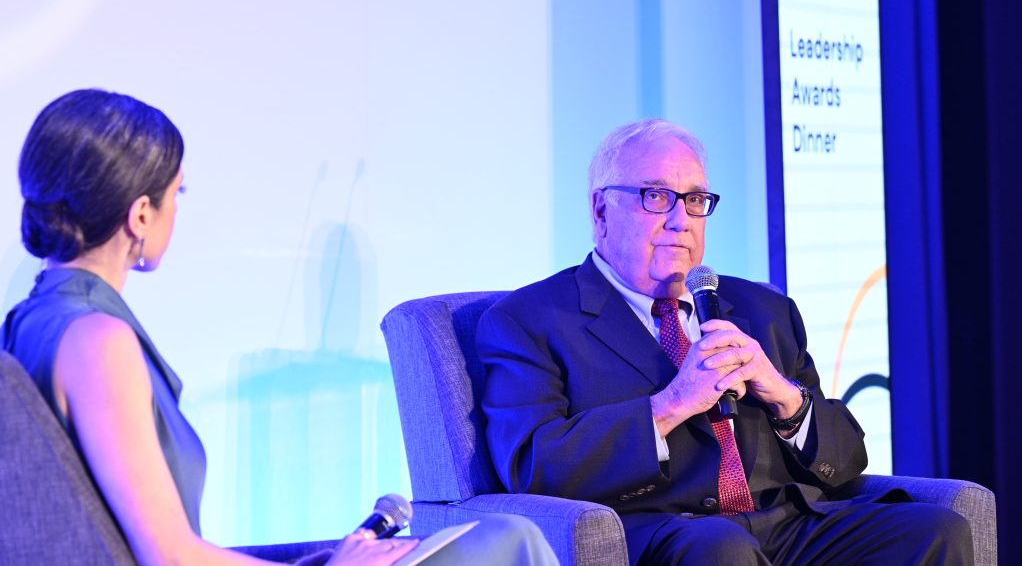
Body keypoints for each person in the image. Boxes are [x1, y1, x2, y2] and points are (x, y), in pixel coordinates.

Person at [3, 89, 556, 566]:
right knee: (511, 538)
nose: (178, 209)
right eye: (178, 193)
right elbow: (170, 554)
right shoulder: (97, 341)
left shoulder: (29, 323)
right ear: (141, 213)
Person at [476, 118, 973, 565]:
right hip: (669, 533)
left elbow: (846, 464)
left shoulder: (764, 309)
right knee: (721, 546)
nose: (681, 220)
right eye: (656, 196)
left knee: (935, 529)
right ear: (601, 209)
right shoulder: (531, 320)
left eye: (695, 200)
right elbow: (531, 466)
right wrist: (671, 404)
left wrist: (787, 402)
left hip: (787, 526)